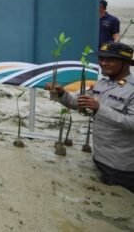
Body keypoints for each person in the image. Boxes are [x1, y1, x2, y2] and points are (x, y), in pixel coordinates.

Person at [48, 42, 134, 193]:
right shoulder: (102, 84)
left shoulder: (132, 90)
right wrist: (61, 93)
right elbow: (78, 103)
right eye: (101, 58)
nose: (103, 63)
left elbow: (132, 123)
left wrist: (99, 108)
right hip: (99, 159)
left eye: (110, 59)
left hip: (123, 168)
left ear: (126, 63)